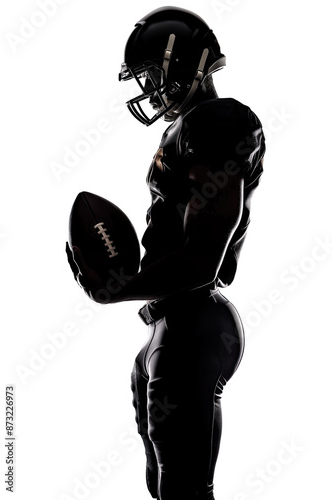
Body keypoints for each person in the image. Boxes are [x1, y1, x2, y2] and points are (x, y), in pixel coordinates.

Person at [66, 7, 266, 500]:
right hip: (173, 324)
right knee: (165, 485)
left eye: (154, 74)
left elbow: (204, 259)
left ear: (185, 64)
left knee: (183, 489)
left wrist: (115, 289)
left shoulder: (217, 122)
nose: (150, 90)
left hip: (193, 321)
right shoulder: (190, 128)